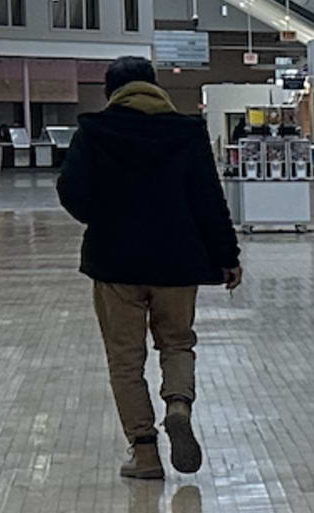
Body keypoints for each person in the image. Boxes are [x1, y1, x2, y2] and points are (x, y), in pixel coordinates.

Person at [57, 55, 243, 480]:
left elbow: (70, 189)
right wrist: (227, 257)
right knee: (177, 344)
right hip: (178, 261)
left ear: (111, 90)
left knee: (125, 360)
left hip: (115, 262)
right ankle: (178, 402)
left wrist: (99, 216)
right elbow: (208, 200)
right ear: (155, 85)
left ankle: (144, 453)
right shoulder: (186, 132)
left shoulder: (95, 131)